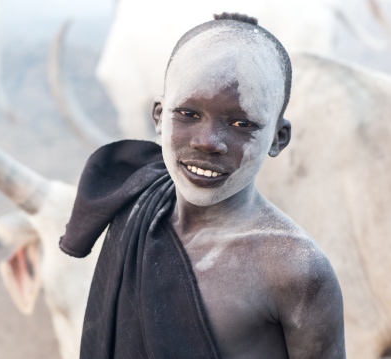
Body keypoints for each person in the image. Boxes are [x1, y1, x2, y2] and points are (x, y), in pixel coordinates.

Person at [60, 12, 345, 358]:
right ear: (159, 117)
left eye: (242, 123)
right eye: (188, 114)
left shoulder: (295, 270)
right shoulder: (134, 206)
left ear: (278, 138)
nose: (208, 142)